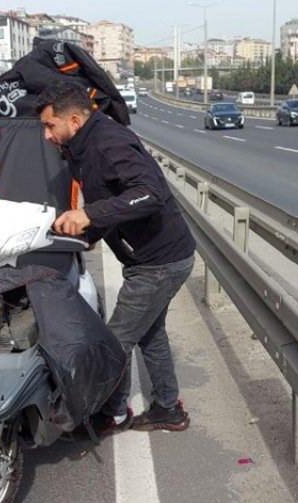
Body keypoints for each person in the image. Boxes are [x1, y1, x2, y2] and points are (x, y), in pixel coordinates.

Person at [37, 81, 197, 433]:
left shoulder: (109, 141)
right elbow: (107, 194)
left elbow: (149, 194)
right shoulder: (82, 146)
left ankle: (114, 413)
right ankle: (168, 409)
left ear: (74, 120)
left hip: (160, 261)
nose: (47, 135)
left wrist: (90, 217)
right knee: (151, 334)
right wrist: (90, 234)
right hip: (154, 256)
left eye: (50, 126)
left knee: (114, 342)